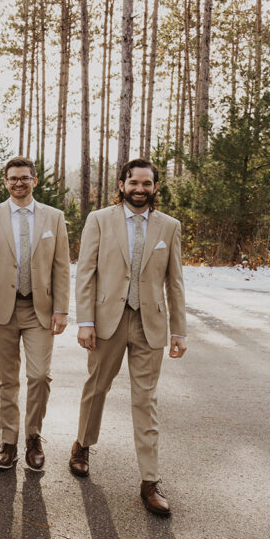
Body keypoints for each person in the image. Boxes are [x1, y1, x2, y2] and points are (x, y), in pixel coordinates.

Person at [68, 158, 187, 517]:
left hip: (150, 323)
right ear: (121, 184)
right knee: (97, 387)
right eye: (133, 182)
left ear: (154, 187)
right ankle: (82, 445)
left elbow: (175, 281)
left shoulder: (169, 226)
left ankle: (149, 481)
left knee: (146, 400)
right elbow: (85, 273)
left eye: (147, 184)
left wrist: (179, 330)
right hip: (107, 320)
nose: (140, 189)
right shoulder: (99, 220)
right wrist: (85, 321)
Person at [0, 156, 70, 471]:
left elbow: (61, 267)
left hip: (39, 309)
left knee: (39, 375)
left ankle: (34, 436)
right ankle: (9, 441)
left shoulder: (54, 217)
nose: (18, 183)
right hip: (1, 309)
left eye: (24, 177)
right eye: (13, 178)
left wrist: (62, 310)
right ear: (5, 182)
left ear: (34, 181)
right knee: (7, 379)